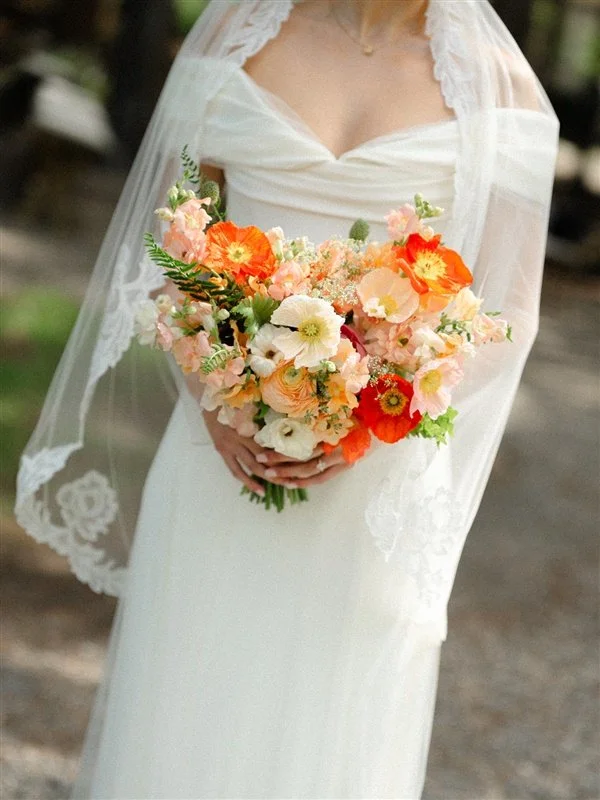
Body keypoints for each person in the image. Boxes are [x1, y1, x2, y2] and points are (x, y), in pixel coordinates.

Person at [15, 1, 558, 798]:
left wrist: (373, 420)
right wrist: (215, 392)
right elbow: (169, 238)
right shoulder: (239, 31)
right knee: (186, 704)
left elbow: (509, 308)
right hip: (219, 453)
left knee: (334, 730)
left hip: (374, 475)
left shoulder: (499, 89)